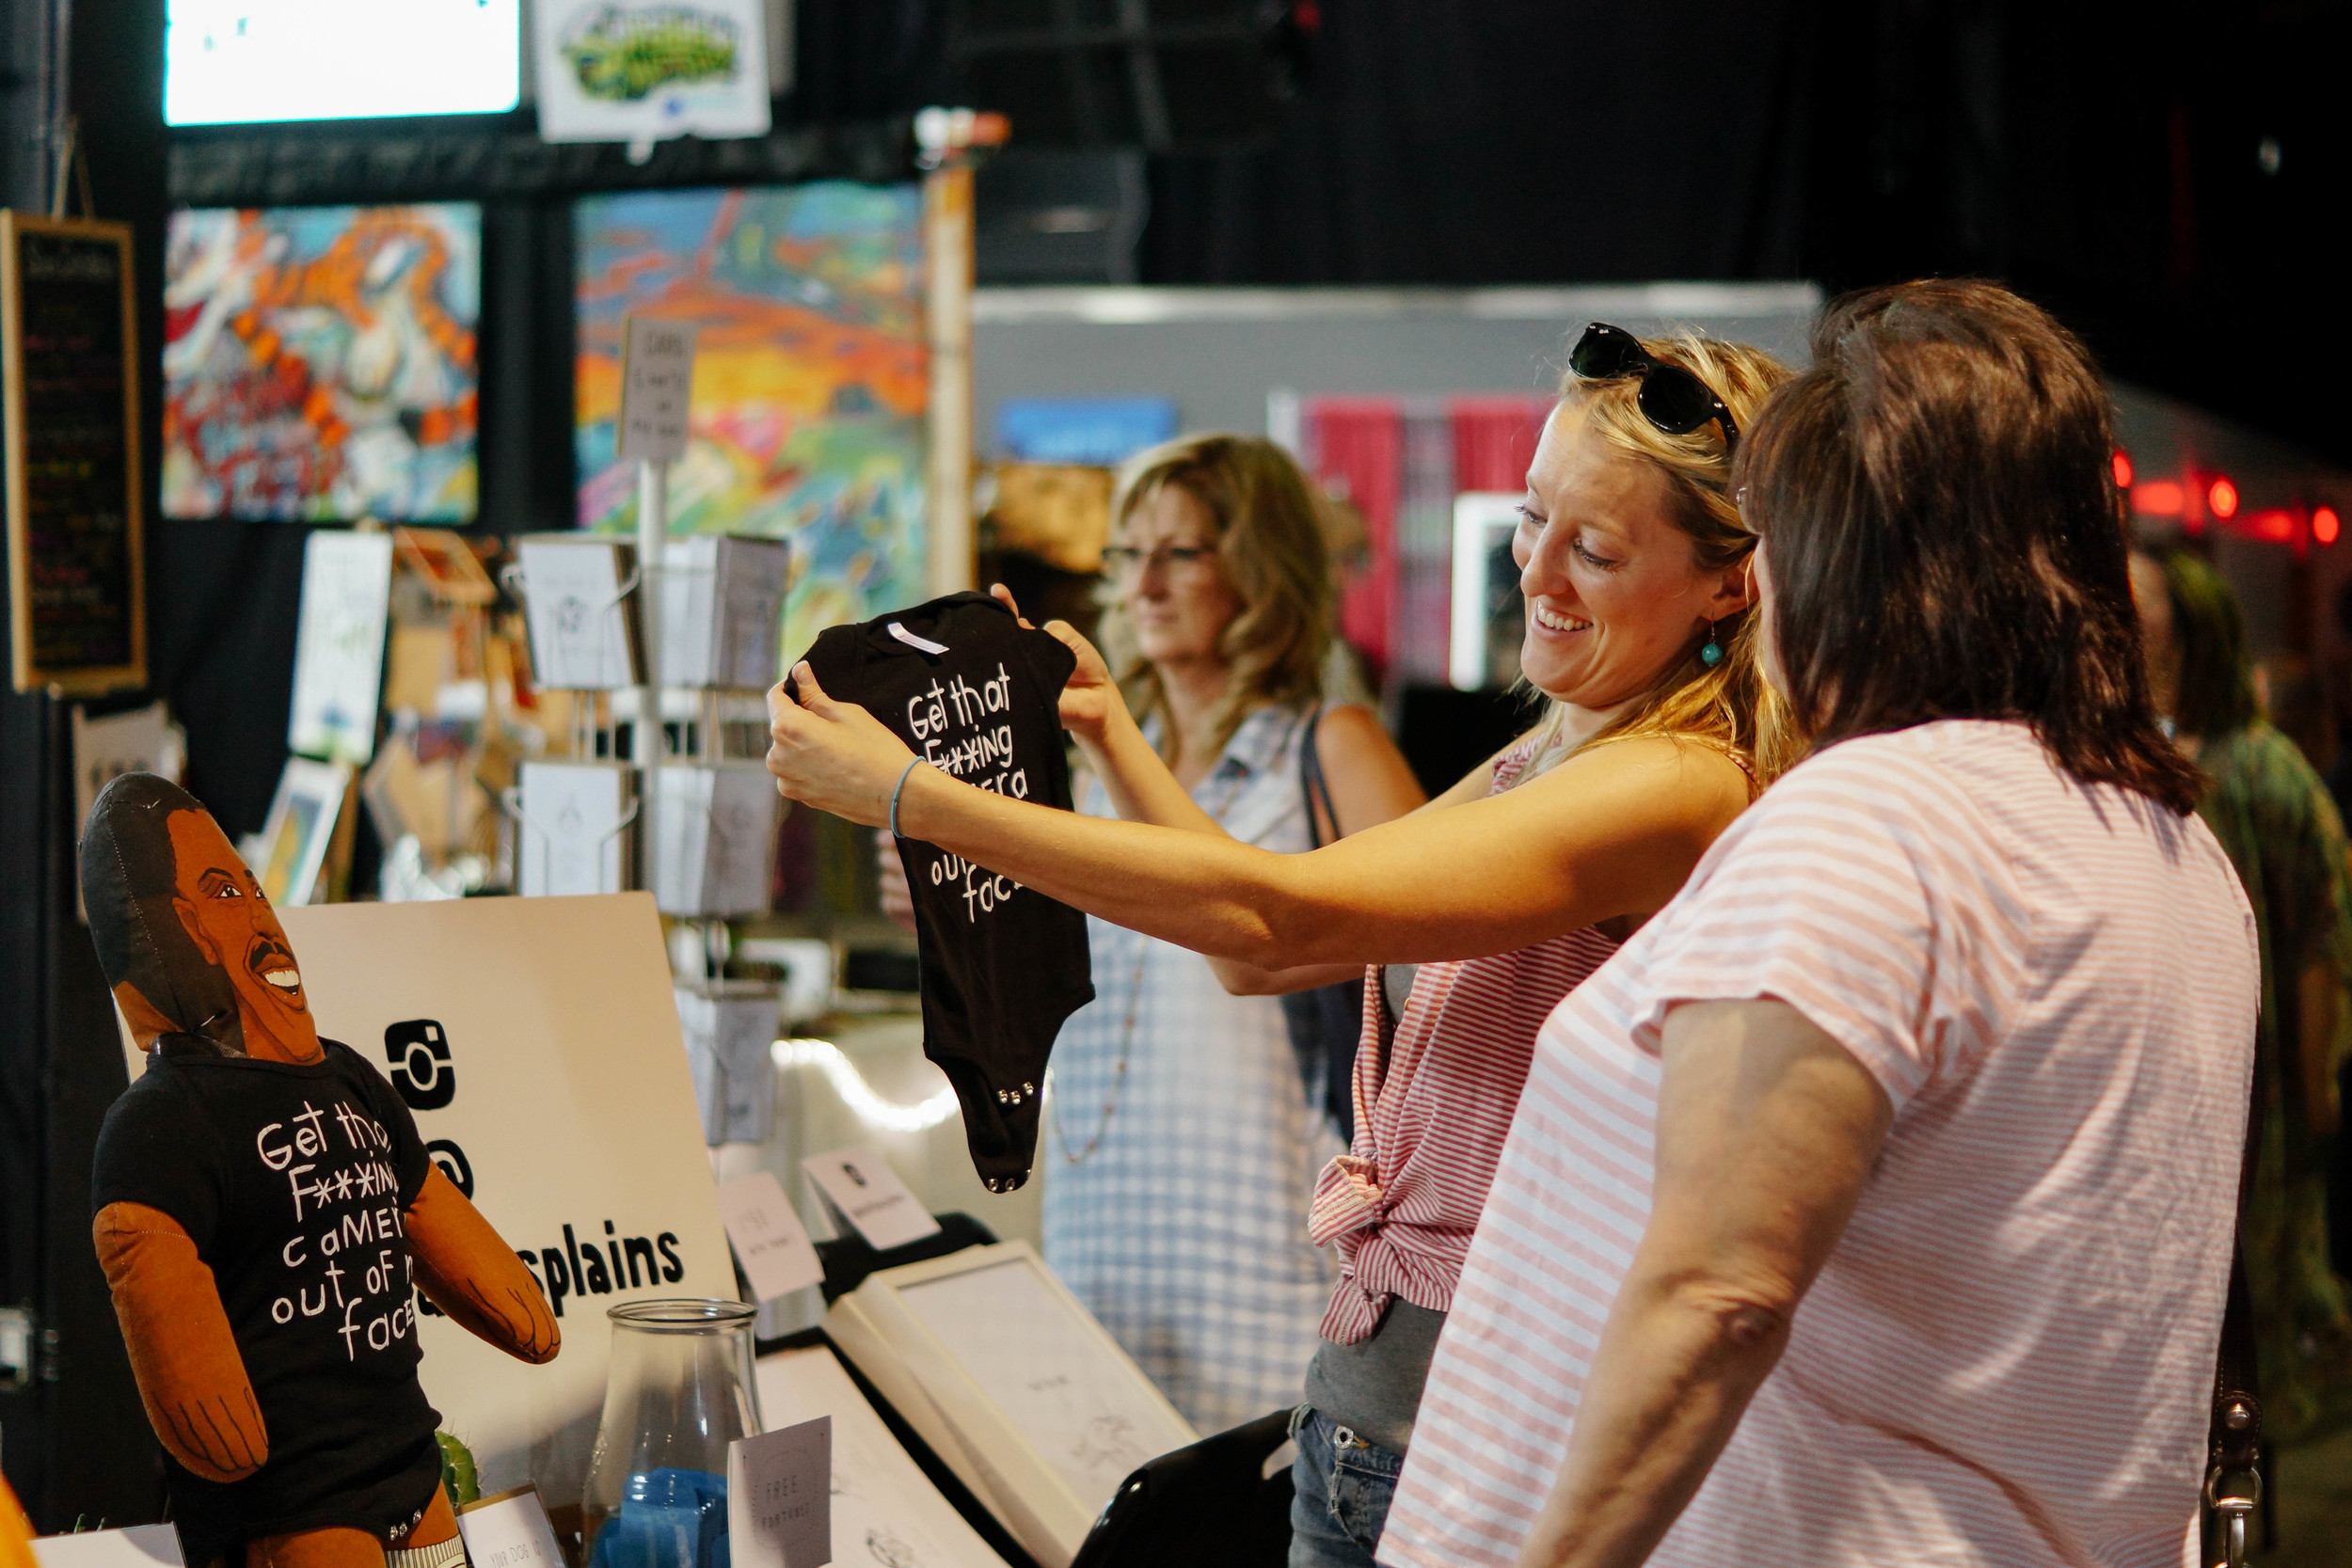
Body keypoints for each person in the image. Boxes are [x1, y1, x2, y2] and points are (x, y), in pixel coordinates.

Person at [770, 326, 1793, 1567]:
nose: (1538, 575)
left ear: (1731, 581)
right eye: (1533, 518)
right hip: (1384, 1426)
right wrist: (1113, 736)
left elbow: (1280, 916)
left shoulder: (1674, 779)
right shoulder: (1567, 748)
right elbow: (1267, 950)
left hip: (1467, 1455)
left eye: (1597, 547)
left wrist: (911, 795)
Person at [1374, 279, 2262, 1568]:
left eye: (1767, 537)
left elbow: (1719, 1297)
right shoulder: (2171, 848)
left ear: (1835, 559)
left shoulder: (1875, 822)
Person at [905, 433, 1429, 1433]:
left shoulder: (1326, 747)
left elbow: (1430, 968)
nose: (1142, 581)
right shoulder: (1075, 772)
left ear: (1259, 565)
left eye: (1179, 552)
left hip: (1270, 1244)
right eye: (1125, 553)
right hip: (1102, 1227)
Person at [2131, 544, 2352, 1444]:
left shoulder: (2261, 766)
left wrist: (2315, 1090)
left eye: (2138, 596)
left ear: (2188, 625)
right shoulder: (2134, 752)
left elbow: (2319, 938)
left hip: (2257, 1102)